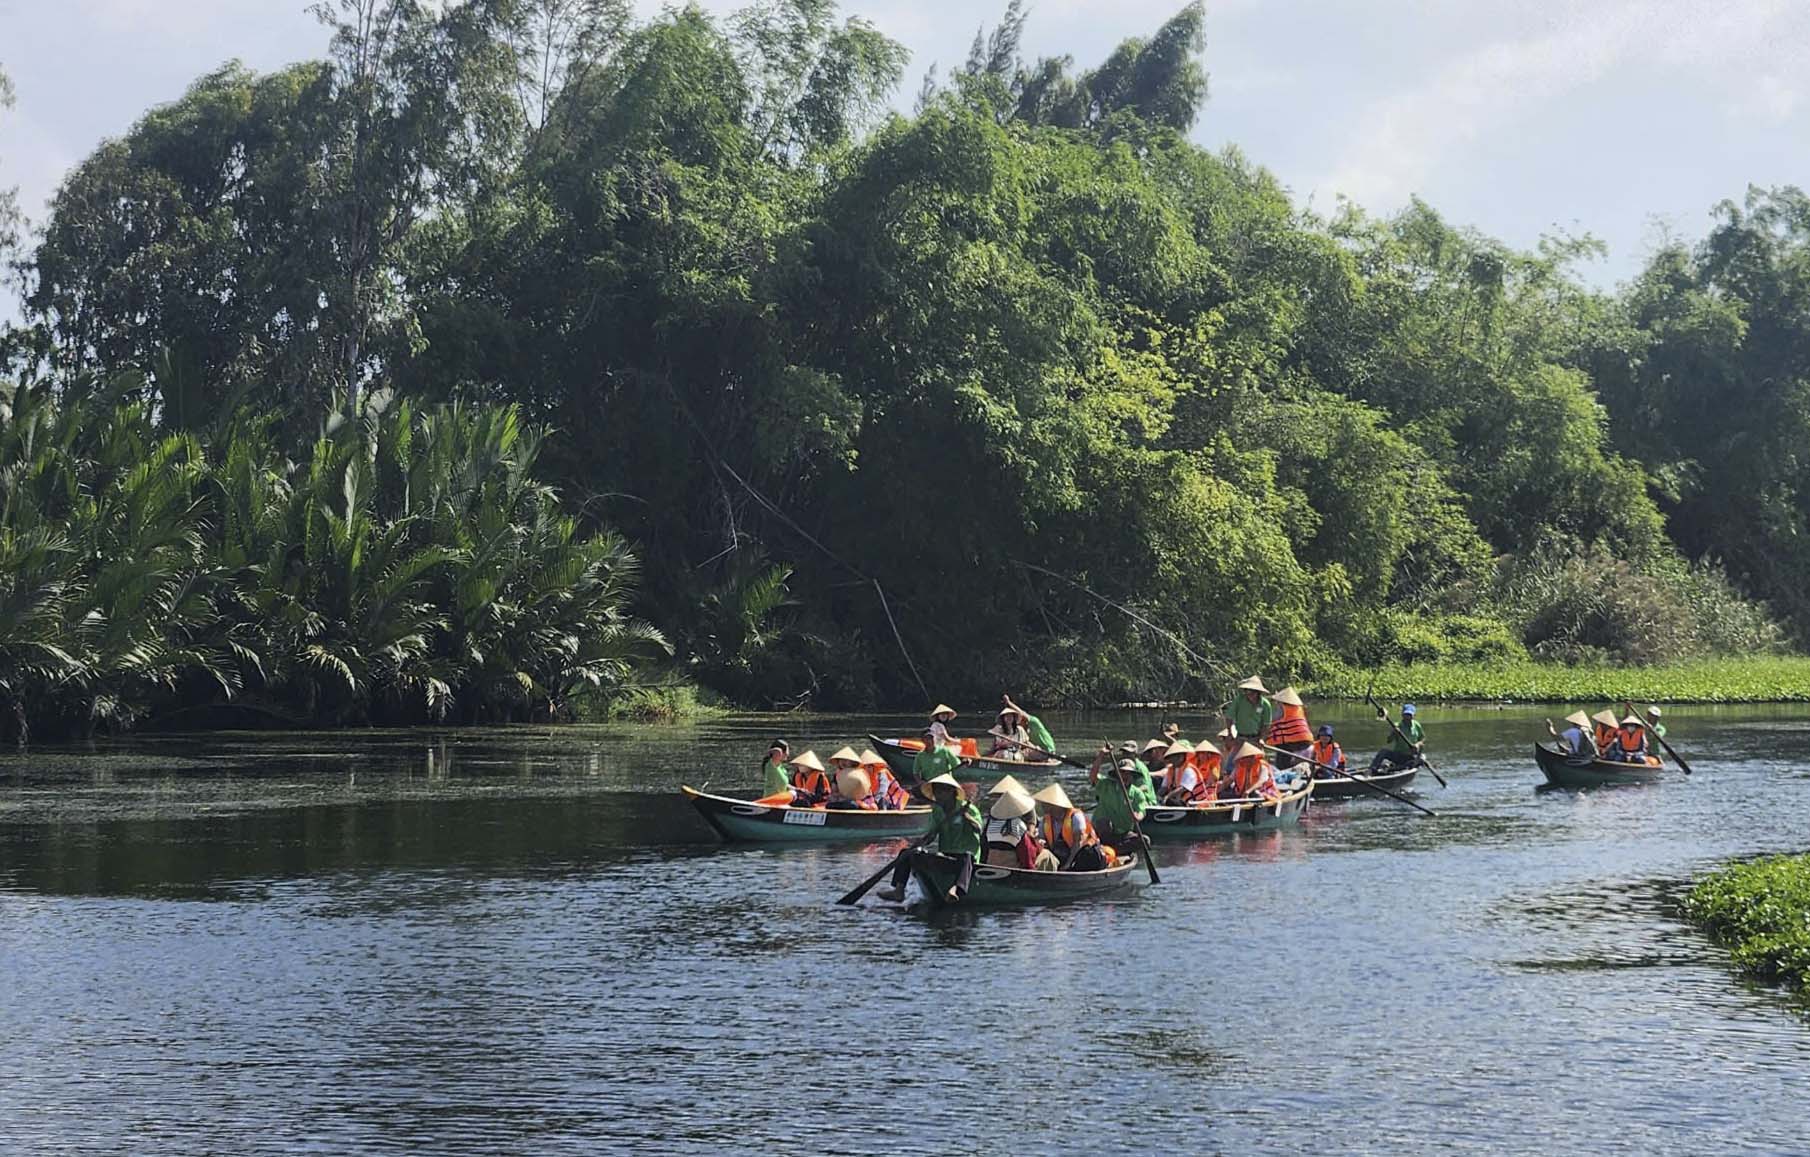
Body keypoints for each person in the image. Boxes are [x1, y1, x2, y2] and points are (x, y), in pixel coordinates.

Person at [878, 773, 983, 903]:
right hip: (946, 855)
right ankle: (899, 890)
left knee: (966, 857)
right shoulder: (937, 811)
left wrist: (966, 816)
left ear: (951, 792)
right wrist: (921, 842)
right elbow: (932, 836)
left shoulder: (968, 809)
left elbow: (978, 829)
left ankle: (957, 889)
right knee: (907, 853)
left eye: (940, 792)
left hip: (966, 859)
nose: (937, 795)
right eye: (935, 792)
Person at [1033, 784, 1108, 871]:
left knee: (1087, 856)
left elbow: (1078, 843)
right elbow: (1042, 842)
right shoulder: (1045, 821)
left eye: (1045, 803)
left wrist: (1068, 864)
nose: (1042, 805)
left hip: (1083, 854)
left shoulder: (1075, 816)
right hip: (1060, 855)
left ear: (1054, 804)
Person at [1092, 757, 1157, 850]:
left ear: (1132, 776)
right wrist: (1101, 755)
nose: (1125, 776)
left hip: (1123, 834)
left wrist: (1137, 817)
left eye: (1128, 773)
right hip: (1104, 832)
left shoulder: (1137, 793)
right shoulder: (1106, 785)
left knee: (1145, 840)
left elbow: (1141, 810)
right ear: (1117, 775)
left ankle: (1115, 849)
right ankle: (1106, 847)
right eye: (1122, 772)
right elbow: (1093, 776)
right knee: (1104, 824)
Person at [986, 789, 1058, 870]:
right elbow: (1027, 851)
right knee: (1047, 855)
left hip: (990, 863)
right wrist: (1039, 846)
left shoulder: (992, 823)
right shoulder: (1017, 824)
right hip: (1011, 865)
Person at [1366, 704, 1424, 777]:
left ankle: (1395, 768)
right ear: (1402, 714)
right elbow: (1389, 740)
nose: (1407, 717)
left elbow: (1422, 739)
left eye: (1409, 715)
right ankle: (1372, 770)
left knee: (1422, 758)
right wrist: (1394, 733)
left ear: (1413, 715)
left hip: (1410, 756)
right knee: (1383, 752)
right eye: (1405, 715)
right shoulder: (1397, 725)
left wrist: (1417, 745)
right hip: (1398, 755)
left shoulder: (1416, 725)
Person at [1265, 687, 1314, 769]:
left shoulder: (1283, 707)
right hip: (1305, 739)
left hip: (1289, 740)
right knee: (1294, 762)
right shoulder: (1298, 708)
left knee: (1283, 765)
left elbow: (1272, 720)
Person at [1229, 676, 1275, 746]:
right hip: (1240, 738)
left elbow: (1266, 725)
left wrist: (1262, 739)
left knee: (1259, 756)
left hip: (1256, 739)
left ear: (1258, 692)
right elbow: (1229, 717)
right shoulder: (1239, 700)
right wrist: (1230, 733)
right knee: (1231, 757)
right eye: (1247, 691)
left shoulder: (1265, 705)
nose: (1249, 694)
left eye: (1252, 692)